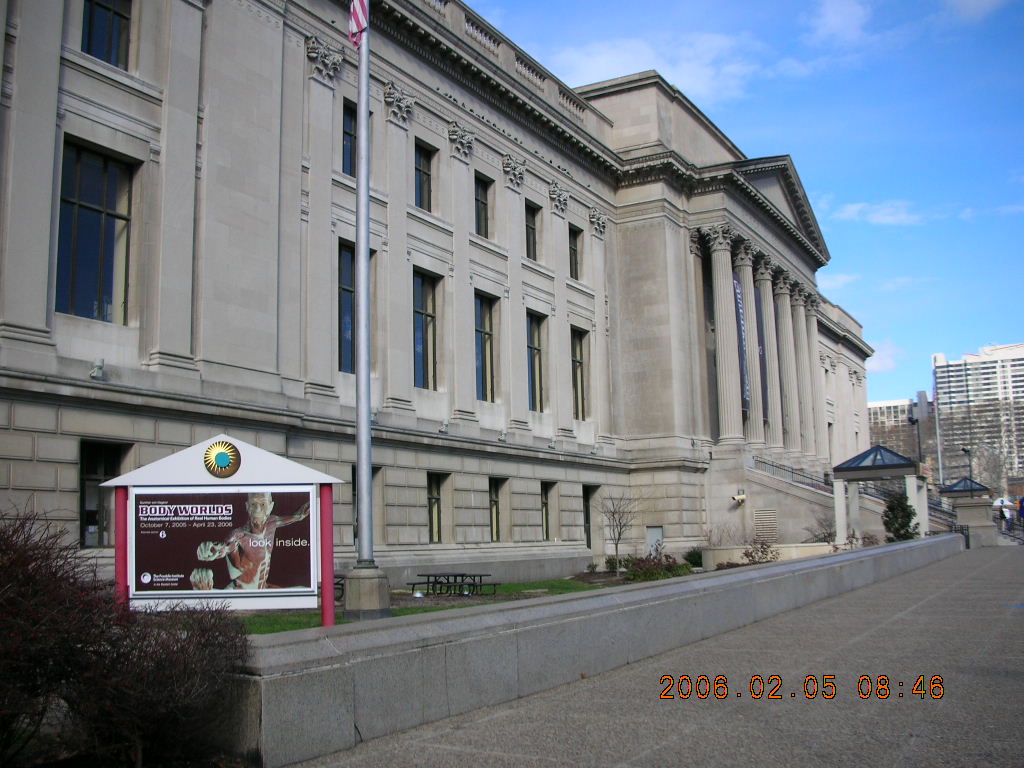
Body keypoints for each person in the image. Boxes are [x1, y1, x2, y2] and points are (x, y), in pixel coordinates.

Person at [190, 492, 309, 590]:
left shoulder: (273, 522)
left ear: (271, 506)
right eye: (253, 504)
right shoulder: (238, 535)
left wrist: (309, 506)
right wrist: (211, 550)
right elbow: (224, 547)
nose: (258, 509)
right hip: (242, 591)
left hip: (263, 588)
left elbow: (298, 516)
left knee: (303, 590)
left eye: (263, 504)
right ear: (247, 506)